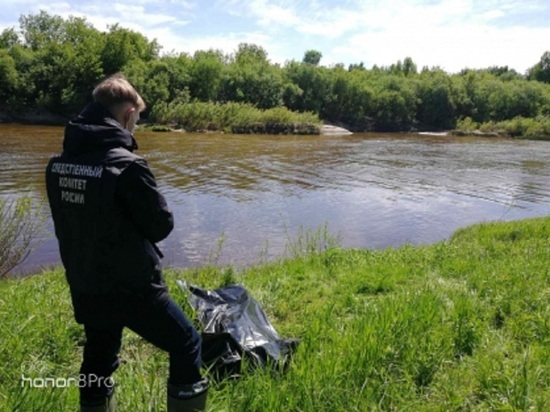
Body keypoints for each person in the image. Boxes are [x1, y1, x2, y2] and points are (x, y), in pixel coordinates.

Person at [45, 74, 209, 412]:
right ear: (128, 114)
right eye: (137, 119)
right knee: (187, 342)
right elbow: (161, 225)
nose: (135, 126)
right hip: (134, 286)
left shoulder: (58, 165)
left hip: (85, 281)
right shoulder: (127, 165)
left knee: (99, 356)